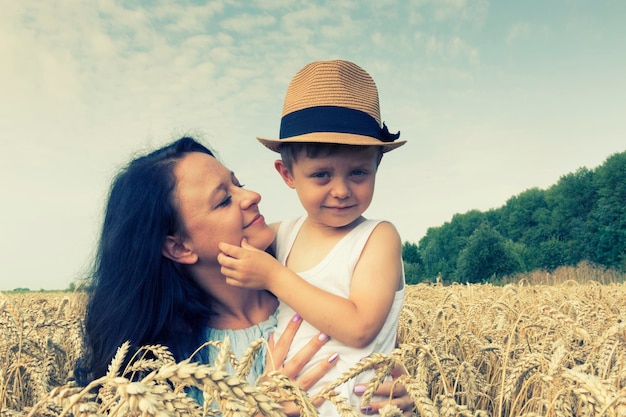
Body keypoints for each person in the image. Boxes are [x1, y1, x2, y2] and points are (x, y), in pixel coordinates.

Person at [77, 136, 413, 416]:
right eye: (224, 200)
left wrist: (406, 399)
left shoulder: (313, 280)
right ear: (178, 247)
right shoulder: (171, 366)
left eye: (239, 184)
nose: (252, 197)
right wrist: (257, 410)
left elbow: (372, 350)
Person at [217, 60, 407, 416]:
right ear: (287, 174)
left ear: (377, 166)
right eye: (321, 175)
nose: (341, 190)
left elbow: (359, 327)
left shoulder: (378, 237)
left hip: (360, 406)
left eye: (359, 173)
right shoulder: (280, 234)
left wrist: (273, 275)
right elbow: (222, 248)